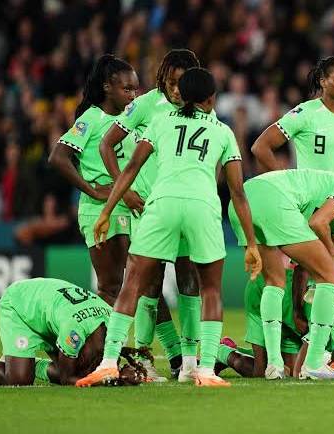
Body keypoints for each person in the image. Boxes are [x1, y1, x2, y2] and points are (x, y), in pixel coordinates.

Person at [76, 67, 261, 388]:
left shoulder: (160, 121)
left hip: (161, 205)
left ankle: (108, 363)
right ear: (211, 98)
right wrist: (251, 243)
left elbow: (131, 167)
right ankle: (204, 370)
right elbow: (238, 192)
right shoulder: (222, 131)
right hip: (202, 207)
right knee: (210, 289)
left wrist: (106, 211)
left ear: (181, 95)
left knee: (132, 283)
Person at [99, 49, 203, 381]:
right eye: (171, 82)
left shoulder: (199, 110)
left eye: (181, 83)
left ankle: (188, 358)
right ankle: (143, 356)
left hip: (188, 208)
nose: (176, 89)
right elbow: (107, 143)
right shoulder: (145, 105)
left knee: (189, 280)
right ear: (162, 79)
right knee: (148, 284)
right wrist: (124, 190)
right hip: (150, 209)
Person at [229, 169, 334, 379]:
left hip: (244, 199)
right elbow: (317, 222)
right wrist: (329, 256)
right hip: (274, 200)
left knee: (274, 281)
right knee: (327, 276)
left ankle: (274, 364)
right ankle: (314, 363)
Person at [217, 237, 334, 378]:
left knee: (285, 370)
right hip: (264, 292)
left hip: (294, 316)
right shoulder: (324, 324)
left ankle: (232, 349)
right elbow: (303, 371)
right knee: (264, 371)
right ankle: (223, 351)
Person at [48, 54, 139, 305]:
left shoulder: (130, 121)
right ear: (108, 87)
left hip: (127, 208)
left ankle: (114, 343)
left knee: (132, 285)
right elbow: (58, 158)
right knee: (111, 286)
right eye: (127, 88)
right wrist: (92, 190)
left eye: (135, 89)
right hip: (101, 210)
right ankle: (96, 342)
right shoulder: (91, 118)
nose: (133, 95)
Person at [0, 278, 140, 386]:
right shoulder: (74, 332)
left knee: (82, 368)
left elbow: (105, 367)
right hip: (21, 305)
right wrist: (105, 381)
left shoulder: (115, 332)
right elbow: (66, 377)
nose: (95, 364)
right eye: (93, 358)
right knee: (19, 380)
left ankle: (21, 361)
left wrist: (114, 374)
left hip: (50, 310)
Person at [251, 56, 334, 182]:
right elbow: (260, 147)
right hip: (313, 202)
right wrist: (286, 181)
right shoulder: (304, 113)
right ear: (323, 81)